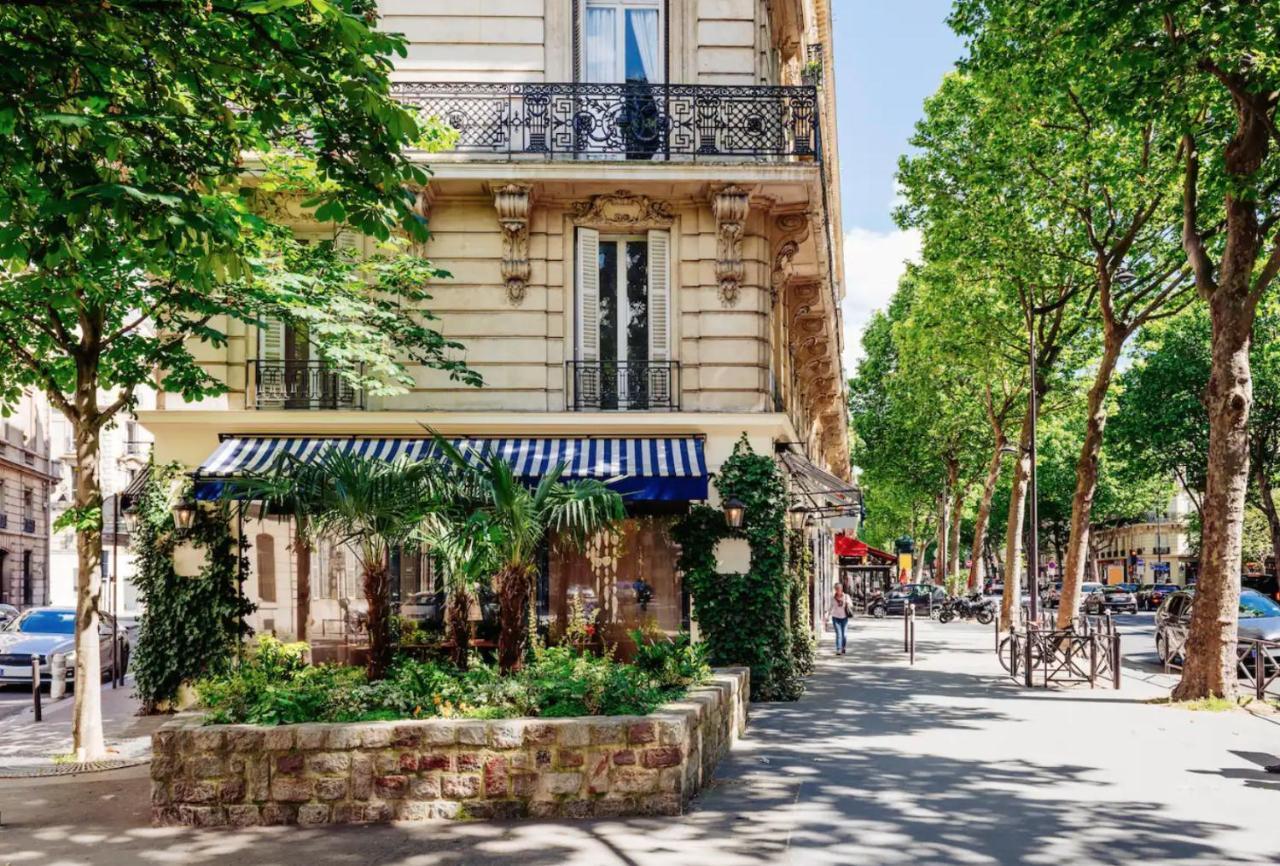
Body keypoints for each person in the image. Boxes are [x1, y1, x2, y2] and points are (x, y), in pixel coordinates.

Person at [831, 583, 851, 655]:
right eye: (837, 589)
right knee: (839, 634)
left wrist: (847, 603)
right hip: (835, 618)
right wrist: (827, 615)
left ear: (841, 589)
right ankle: (838, 649)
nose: (838, 590)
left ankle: (843, 647)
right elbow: (831, 607)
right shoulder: (833, 598)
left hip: (844, 618)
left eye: (839, 588)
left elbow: (850, 605)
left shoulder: (846, 596)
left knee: (844, 635)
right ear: (835, 590)